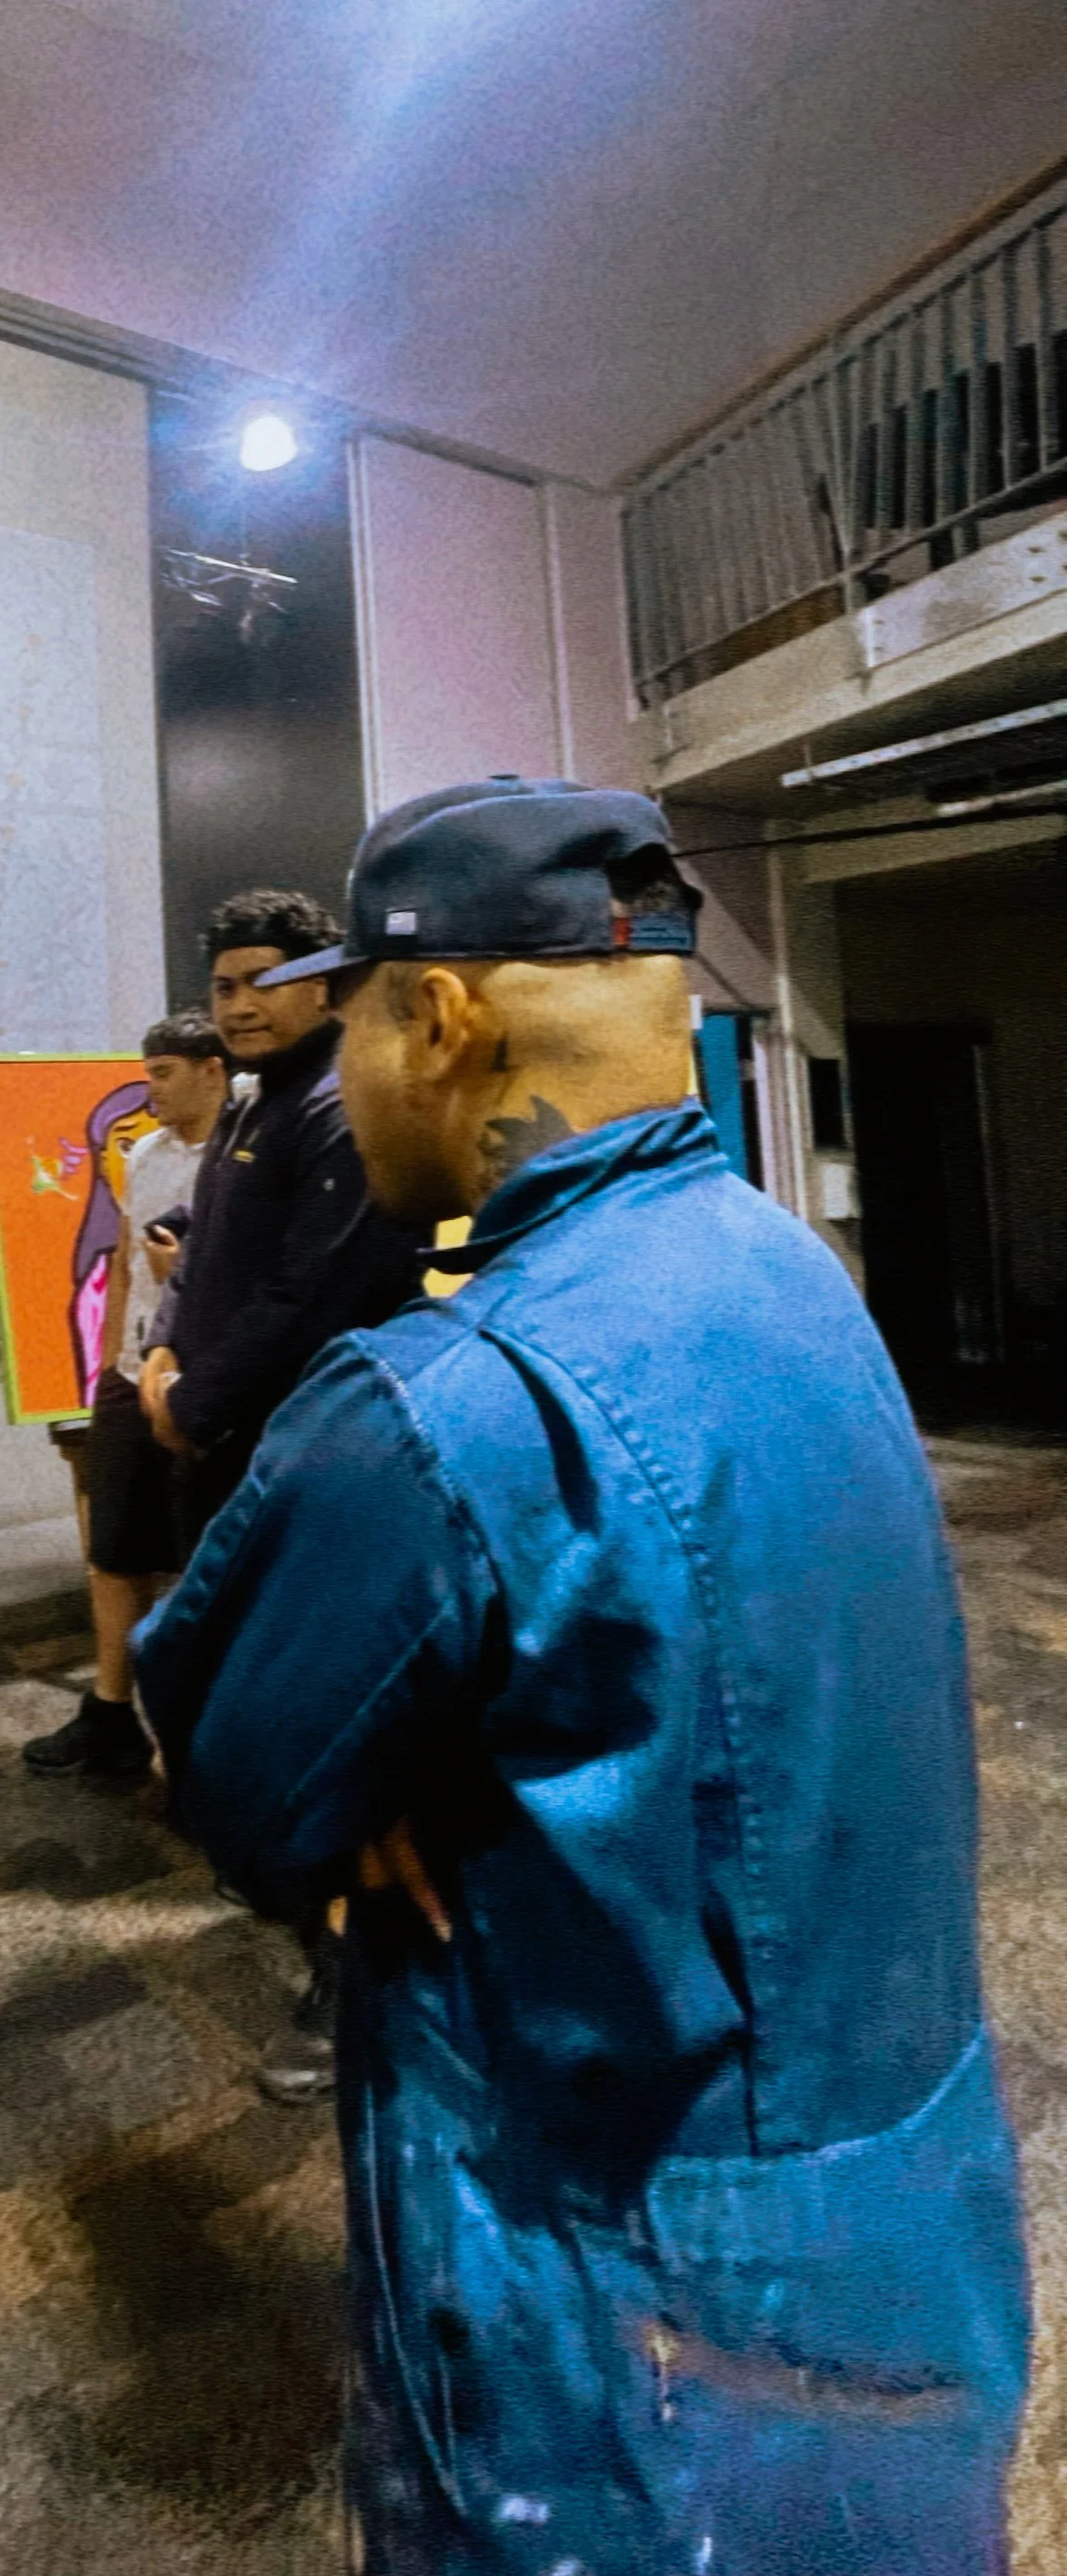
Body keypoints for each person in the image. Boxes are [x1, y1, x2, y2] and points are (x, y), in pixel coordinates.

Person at [136, 777, 1030, 2574]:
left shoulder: (449, 1394)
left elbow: (237, 1774)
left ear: (437, 1018)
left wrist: (372, 1778)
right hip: (902, 2199)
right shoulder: (791, 1268)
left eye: (357, 1016)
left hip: (613, 2298)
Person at [140, 891, 425, 2104]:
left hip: (312, 1455)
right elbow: (222, 1268)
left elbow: (315, 1296)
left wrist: (193, 1399)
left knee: (338, 1723)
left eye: (266, 979)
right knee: (268, 1703)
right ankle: (315, 1919)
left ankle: (354, 1988)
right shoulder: (260, 1105)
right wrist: (168, 1362)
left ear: (325, 982)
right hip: (239, 1447)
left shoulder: (339, 1102)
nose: (241, 1004)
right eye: (224, 987)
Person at [24, 1011, 228, 1778]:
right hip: (128, 1372)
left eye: (165, 1073)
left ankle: (202, 1733)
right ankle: (110, 1714)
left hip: (202, 1374)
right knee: (113, 1548)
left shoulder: (247, 1157)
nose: (151, 1089)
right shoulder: (142, 1152)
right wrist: (105, 1360)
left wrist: (192, 1283)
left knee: (205, 1555)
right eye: (147, 1073)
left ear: (212, 1071)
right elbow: (121, 1254)